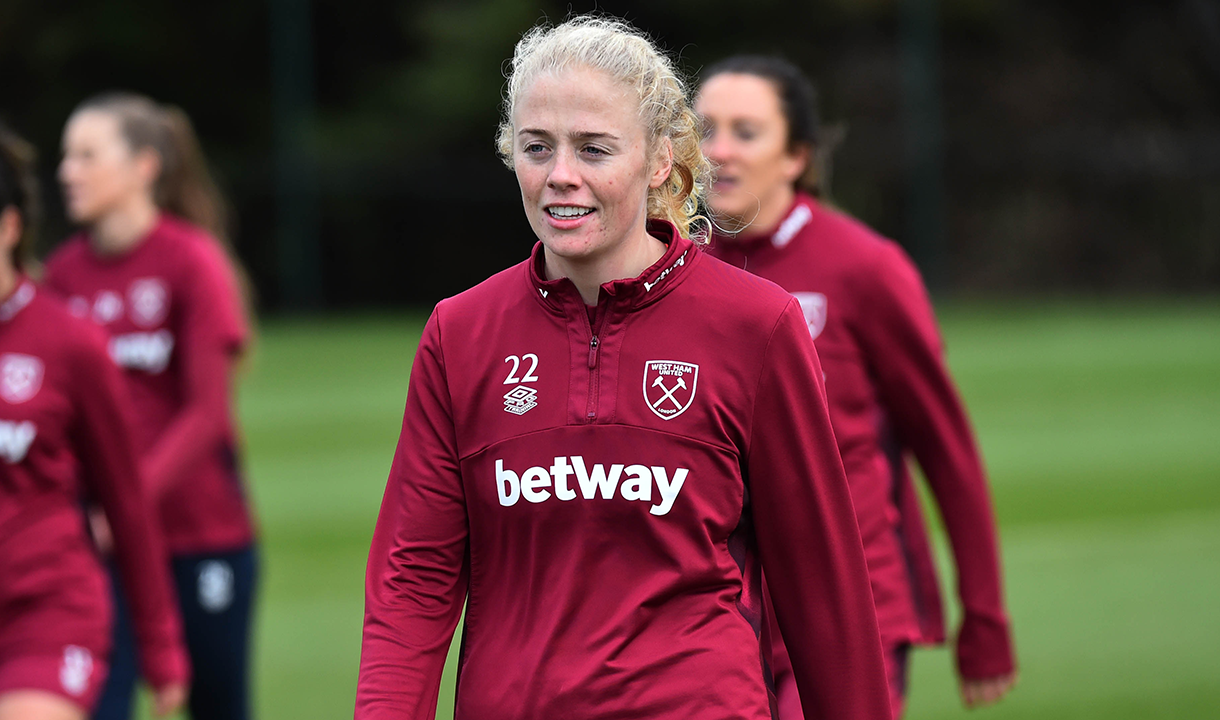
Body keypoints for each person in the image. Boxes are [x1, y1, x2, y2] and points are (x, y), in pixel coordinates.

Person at [357, 16, 891, 720]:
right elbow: (414, 581)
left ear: (660, 159)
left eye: (594, 149)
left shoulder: (756, 325)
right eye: (536, 148)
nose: (561, 176)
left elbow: (822, 588)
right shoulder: (459, 334)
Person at [695, 55, 1018, 718]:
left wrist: (983, 616)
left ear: (796, 157)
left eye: (745, 132)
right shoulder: (679, 272)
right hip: (721, 617)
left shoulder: (865, 269)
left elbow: (946, 448)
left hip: (854, 603)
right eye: (704, 129)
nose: (719, 150)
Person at [41, 94, 258, 720]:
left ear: (143, 166)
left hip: (201, 536)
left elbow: (206, 415)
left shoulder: (191, 261)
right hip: (101, 550)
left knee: (219, 707)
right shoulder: (61, 276)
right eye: (64, 156)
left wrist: (122, 503)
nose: (66, 172)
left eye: (86, 155)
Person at [0, 124, 188, 720]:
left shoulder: (70, 343)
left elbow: (125, 501)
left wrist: (160, 647)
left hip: (46, 614)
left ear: (8, 226)